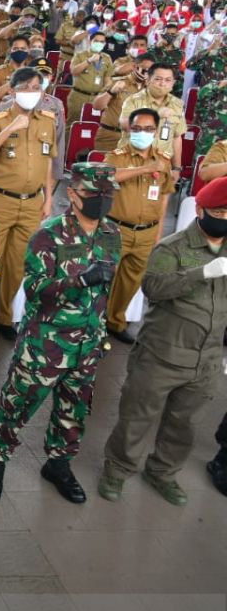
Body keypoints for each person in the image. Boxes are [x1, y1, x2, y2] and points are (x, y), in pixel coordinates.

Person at [0, 163, 122, 504]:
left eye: (106, 194)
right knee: (19, 403)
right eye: (92, 193)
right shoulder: (50, 233)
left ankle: (59, 463)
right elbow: (37, 288)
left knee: (74, 409)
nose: (100, 199)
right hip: (47, 342)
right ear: (72, 194)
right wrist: (79, 279)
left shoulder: (111, 234)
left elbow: (105, 292)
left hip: (87, 343)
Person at [99, 177, 227, 505]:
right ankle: (117, 470)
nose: (224, 218)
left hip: (207, 358)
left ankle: (163, 472)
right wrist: (202, 273)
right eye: (218, 211)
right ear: (200, 210)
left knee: (184, 424)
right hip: (162, 354)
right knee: (138, 416)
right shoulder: (172, 247)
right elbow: (153, 289)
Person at [0, 67, 57, 340]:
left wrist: (49, 197)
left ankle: (3, 316)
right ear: (11, 91)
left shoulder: (48, 119)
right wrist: (11, 127)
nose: (31, 93)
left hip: (32, 203)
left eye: (36, 87)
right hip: (0, 200)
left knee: (17, 264)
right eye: (25, 87)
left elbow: (47, 163)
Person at [101, 108, 175, 344]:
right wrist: (144, 169)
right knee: (103, 279)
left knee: (130, 282)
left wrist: (159, 231)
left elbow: (164, 196)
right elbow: (105, 177)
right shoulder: (117, 155)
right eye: (137, 128)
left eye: (148, 129)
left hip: (146, 232)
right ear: (129, 129)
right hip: (116, 229)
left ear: (156, 131)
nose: (142, 133)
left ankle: (115, 322)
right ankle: (95, 323)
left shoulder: (163, 160)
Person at [119, 63, 185, 172]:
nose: (163, 83)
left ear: (173, 83)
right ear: (148, 79)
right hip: (133, 164)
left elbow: (176, 137)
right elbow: (124, 124)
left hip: (162, 166)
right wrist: (156, 115)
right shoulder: (133, 100)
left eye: (168, 80)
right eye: (158, 79)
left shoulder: (177, 105)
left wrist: (176, 168)